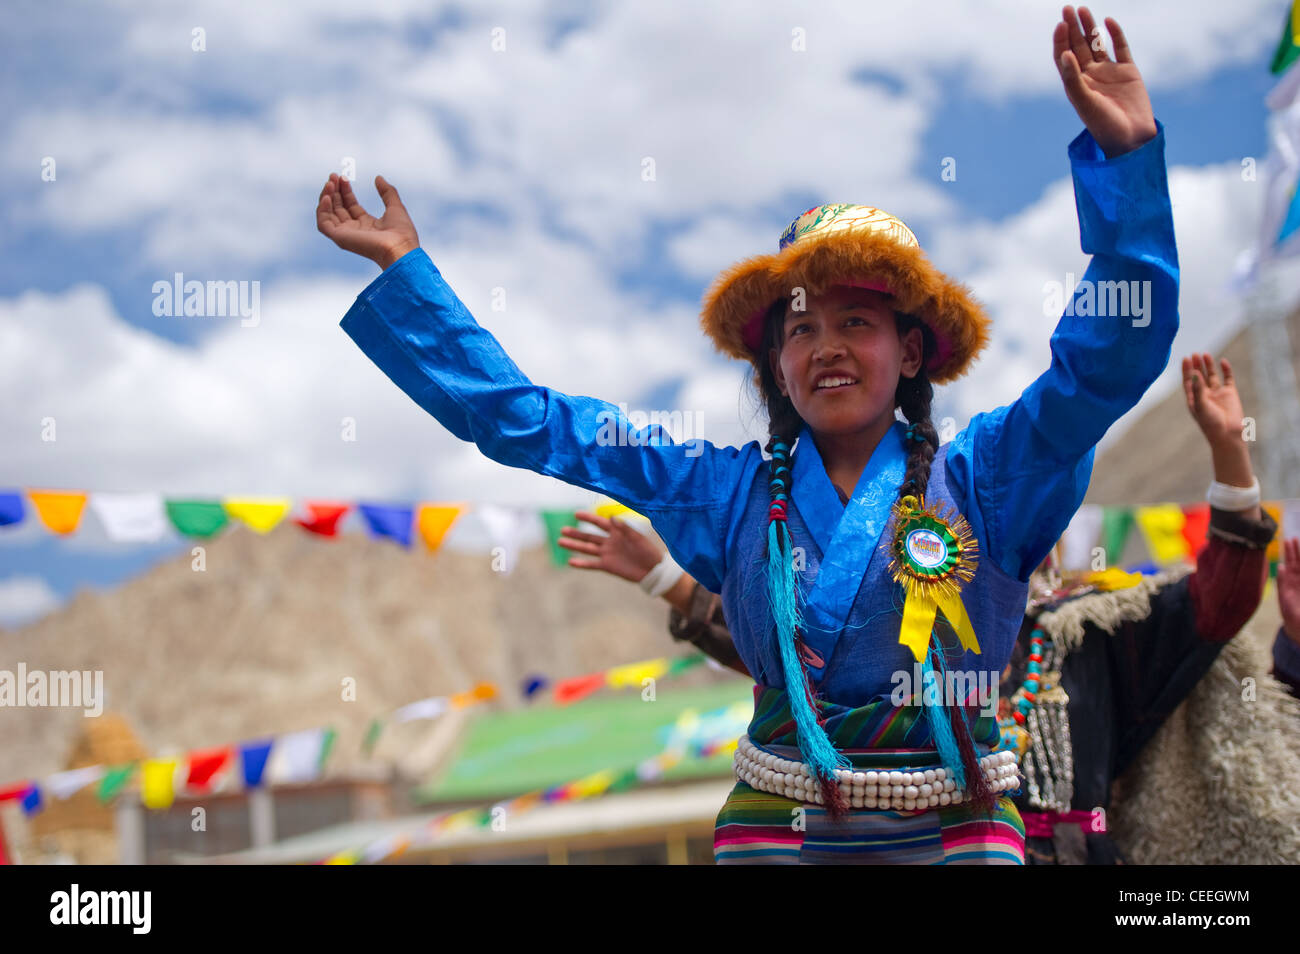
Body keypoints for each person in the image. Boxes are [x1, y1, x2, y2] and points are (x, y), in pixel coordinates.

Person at [318, 7, 1178, 864]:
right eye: (800, 330)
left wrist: (1129, 166)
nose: (827, 346)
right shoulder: (719, 488)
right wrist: (409, 278)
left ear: (911, 349)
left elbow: (1102, 367)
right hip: (778, 828)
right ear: (774, 367)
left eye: (857, 322)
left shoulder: (992, 474)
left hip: (960, 828)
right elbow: (532, 423)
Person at [560, 353, 1285, 864]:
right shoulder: (905, 596)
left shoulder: (1100, 633)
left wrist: (1232, 462)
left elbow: (1219, 606)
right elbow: (799, 653)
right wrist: (668, 580)